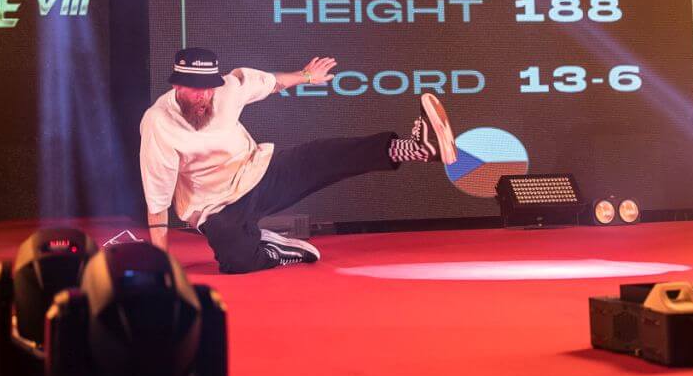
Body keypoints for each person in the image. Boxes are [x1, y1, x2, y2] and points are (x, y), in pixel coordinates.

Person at [139, 46, 456, 274]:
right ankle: (278, 247)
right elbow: (157, 202)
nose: (203, 96)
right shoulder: (158, 124)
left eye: (208, 88)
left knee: (325, 156)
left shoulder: (229, 88)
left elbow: (272, 82)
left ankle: (413, 148)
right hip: (215, 207)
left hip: (257, 172)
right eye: (195, 90)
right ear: (176, 84)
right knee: (235, 261)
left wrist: (306, 76)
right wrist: (159, 266)